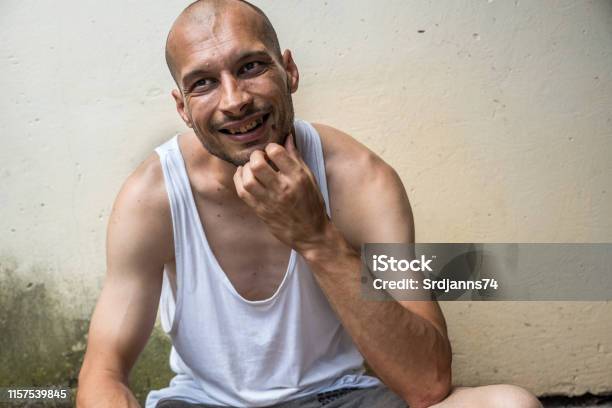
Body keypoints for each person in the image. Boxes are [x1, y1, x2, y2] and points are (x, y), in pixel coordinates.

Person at [77, 1, 542, 407]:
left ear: (290, 71)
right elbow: (102, 374)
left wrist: (317, 238)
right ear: (182, 107)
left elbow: (428, 383)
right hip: (203, 403)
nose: (235, 100)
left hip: (340, 397)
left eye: (250, 67)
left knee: (510, 404)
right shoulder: (152, 197)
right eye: (204, 83)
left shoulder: (360, 179)